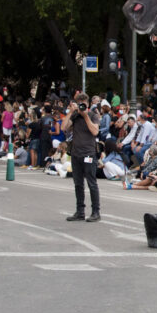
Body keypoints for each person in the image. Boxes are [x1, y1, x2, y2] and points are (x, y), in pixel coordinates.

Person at [63, 93, 101, 222]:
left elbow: (95, 131)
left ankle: (96, 212)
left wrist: (85, 116)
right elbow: (64, 127)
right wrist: (70, 112)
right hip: (75, 154)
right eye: (79, 103)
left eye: (83, 103)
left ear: (88, 103)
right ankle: (80, 211)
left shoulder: (92, 115)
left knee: (91, 183)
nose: (82, 105)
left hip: (88, 154)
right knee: (78, 184)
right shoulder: (75, 116)